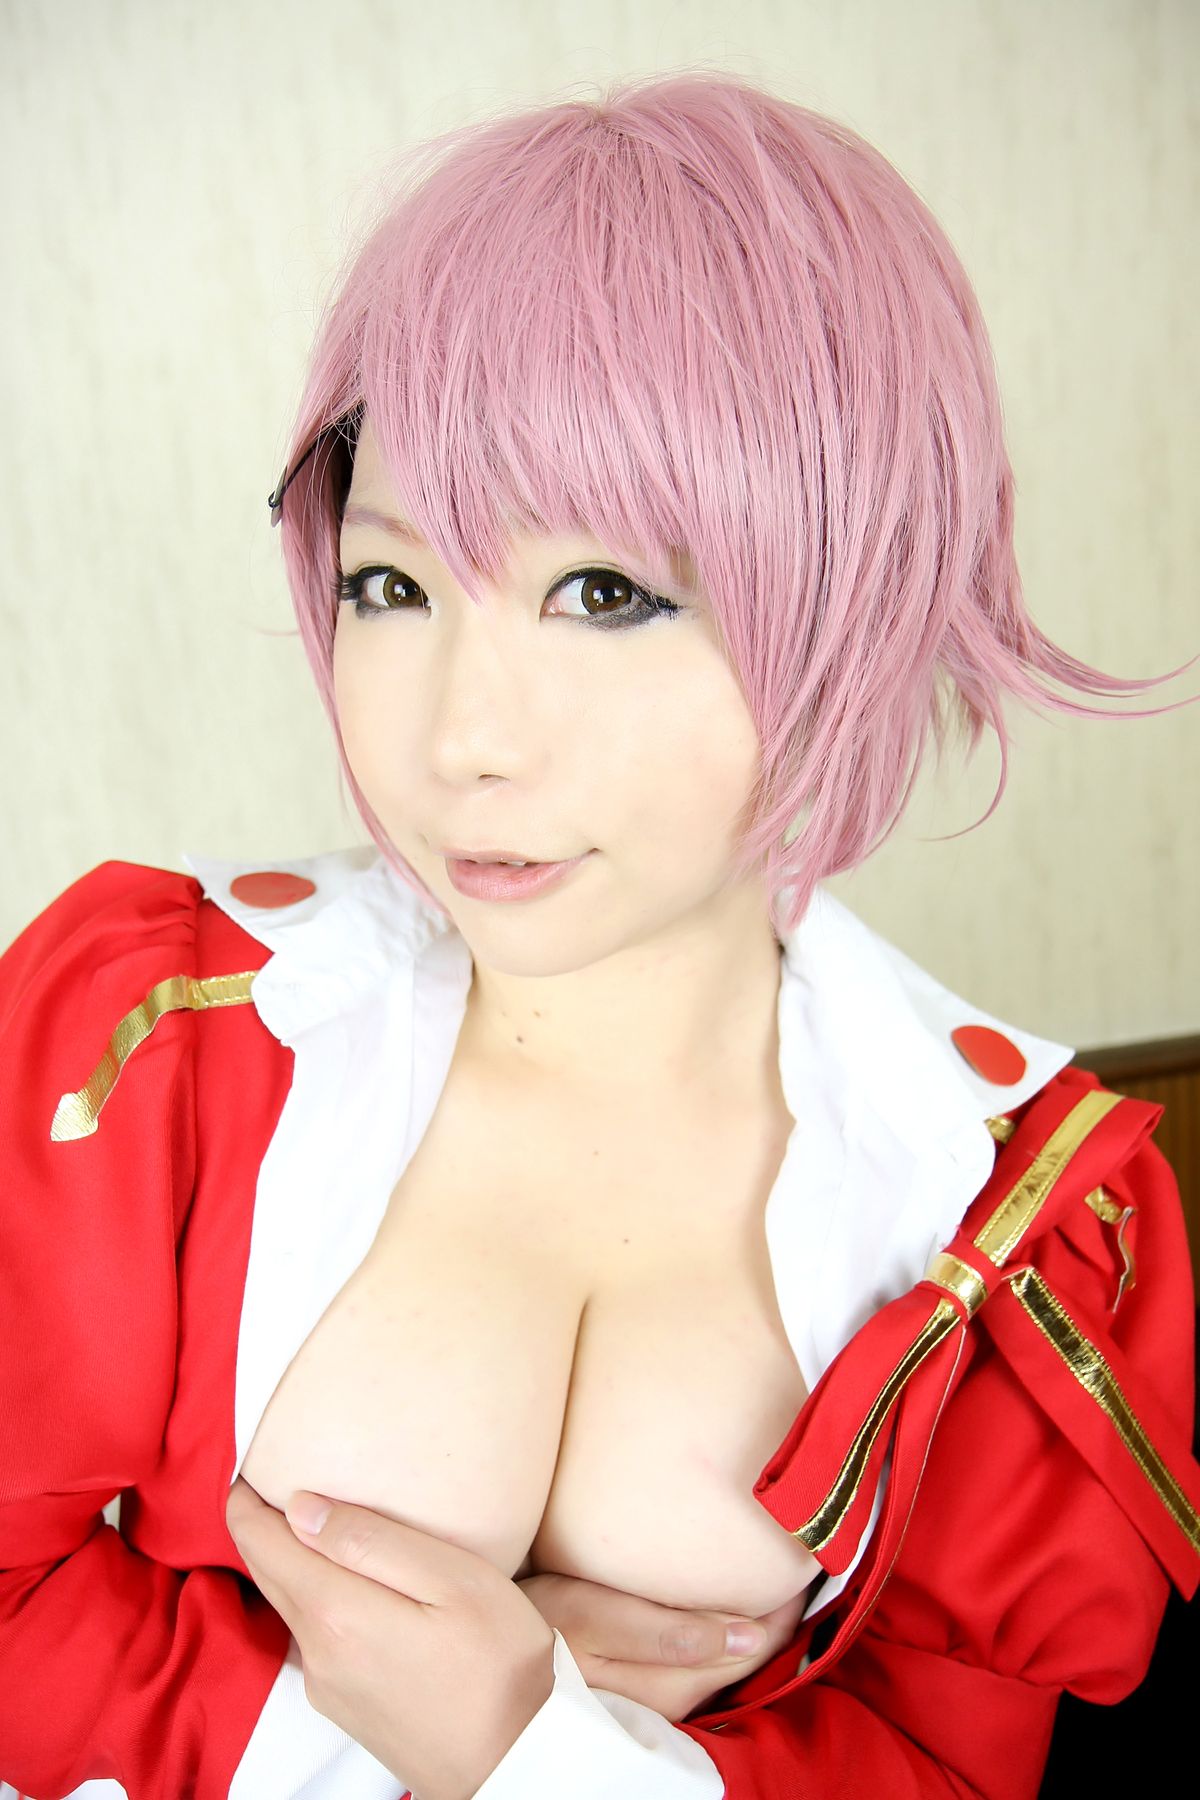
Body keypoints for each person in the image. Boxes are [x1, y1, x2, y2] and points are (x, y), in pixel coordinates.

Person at [1, 69, 1198, 1800]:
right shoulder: (160, 1038)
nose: (462, 737)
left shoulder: (1015, 1220)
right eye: (394, 585)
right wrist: (429, 1727)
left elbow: (949, 1762)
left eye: (607, 593)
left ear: (855, 592)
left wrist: (519, 1741)